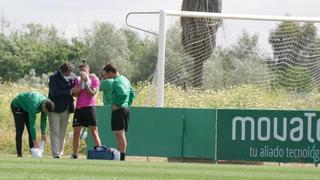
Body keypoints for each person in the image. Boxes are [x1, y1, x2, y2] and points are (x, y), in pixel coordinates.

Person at [102, 63, 135, 161]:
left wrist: (118, 105)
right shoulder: (125, 79)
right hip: (125, 109)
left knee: (120, 135)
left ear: (111, 72)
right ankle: (121, 157)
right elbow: (132, 93)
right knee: (121, 135)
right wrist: (126, 103)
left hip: (119, 111)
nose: (106, 77)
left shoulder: (116, 81)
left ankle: (121, 158)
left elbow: (123, 94)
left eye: (106, 74)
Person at [71, 61, 102, 159]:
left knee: (93, 131)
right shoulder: (77, 80)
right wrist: (81, 83)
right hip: (79, 108)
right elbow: (75, 94)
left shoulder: (95, 80)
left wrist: (86, 83)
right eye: (80, 71)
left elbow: (92, 93)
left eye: (84, 71)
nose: (82, 73)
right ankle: (75, 154)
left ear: (88, 71)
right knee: (76, 133)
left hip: (90, 108)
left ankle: (99, 152)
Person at [11, 92, 55, 157]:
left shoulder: (47, 103)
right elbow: (32, 125)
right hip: (17, 105)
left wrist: (43, 133)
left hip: (26, 107)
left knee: (30, 130)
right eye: (45, 111)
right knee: (20, 129)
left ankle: (33, 153)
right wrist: (35, 141)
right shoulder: (34, 105)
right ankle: (19, 154)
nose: (45, 112)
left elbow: (43, 120)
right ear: (44, 106)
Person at [48, 62, 75, 158]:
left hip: (67, 109)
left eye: (71, 72)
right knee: (55, 132)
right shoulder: (53, 78)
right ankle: (56, 154)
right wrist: (70, 91)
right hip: (54, 109)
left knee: (63, 133)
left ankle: (60, 152)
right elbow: (55, 92)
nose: (70, 74)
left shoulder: (72, 78)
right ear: (62, 71)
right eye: (68, 72)